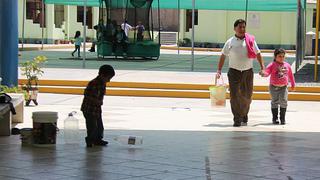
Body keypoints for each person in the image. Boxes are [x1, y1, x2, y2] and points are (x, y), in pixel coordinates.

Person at [216, 19, 265, 127]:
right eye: (240, 27)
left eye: (244, 27)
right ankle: (237, 118)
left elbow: (258, 53)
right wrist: (219, 70)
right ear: (235, 28)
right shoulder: (230, 42)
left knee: (247, 95)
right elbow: (223, 55)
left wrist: (262, 67)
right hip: (234, 72)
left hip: (248, 72)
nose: (242, 29)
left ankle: (244, 113)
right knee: (234, 96)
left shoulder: (250, 40)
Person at [81, 65, 115, 147]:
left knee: (99, 125)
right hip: (89, 109)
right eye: (108, 78)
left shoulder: (103, 83)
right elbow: (87, 94)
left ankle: (98, 139)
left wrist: (99, 102)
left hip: (97, 109)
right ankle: (90, 140)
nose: (109, 81)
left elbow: (101, 95)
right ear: (102, 75)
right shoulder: (93, 83)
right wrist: (96, 101)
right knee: (92, 126)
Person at [261, 48, 295, 125]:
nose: (282, 58)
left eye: (283, 56)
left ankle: (282, 118)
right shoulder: (272, 65)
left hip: (283, 87)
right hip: (273, 87)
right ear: (275, 57)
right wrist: (263, 73)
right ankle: (275, 118)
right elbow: (267, 72)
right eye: (279, 56)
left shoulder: (287, 65)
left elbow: (291, 76)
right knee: (275, 102)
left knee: (284, 101)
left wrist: (293, 84)